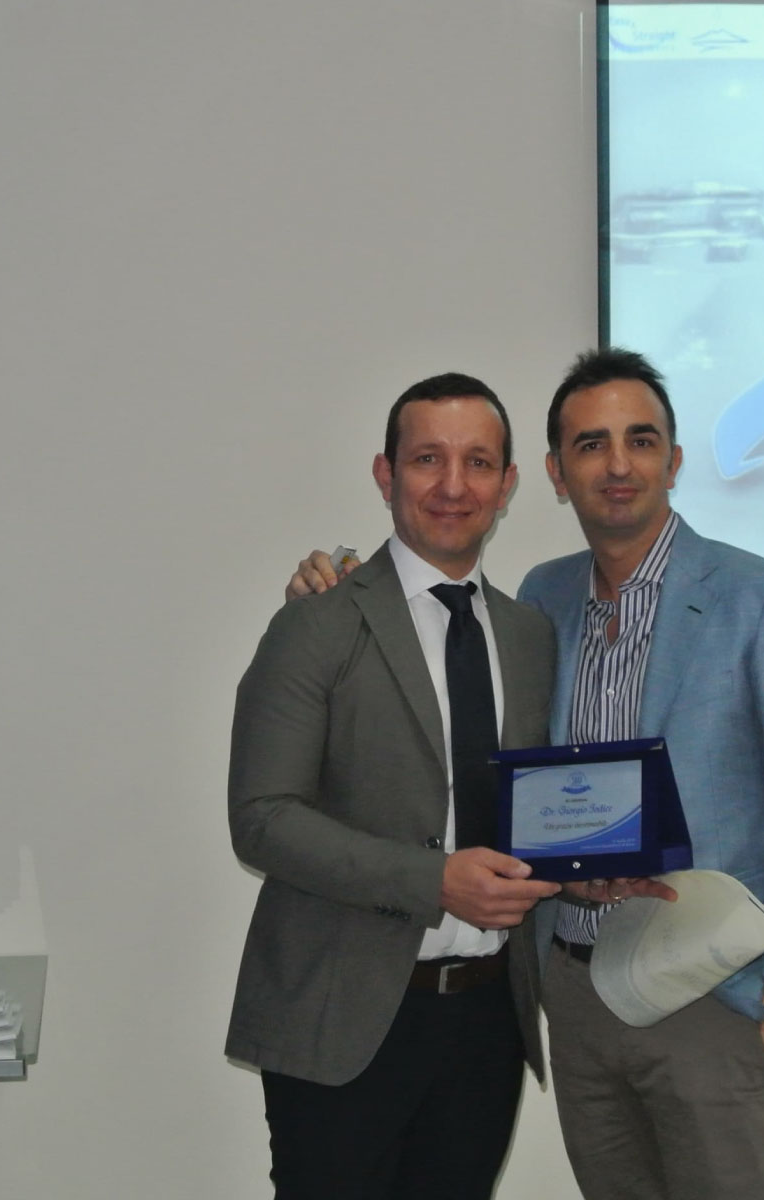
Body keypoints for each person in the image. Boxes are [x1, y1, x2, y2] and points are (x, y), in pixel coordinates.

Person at [287, 348, 764, 1200]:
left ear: (674, 460)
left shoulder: (757, 596)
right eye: (592, 445)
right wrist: (329, 586)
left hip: (711, 990)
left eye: (641, 440)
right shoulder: (540, 601)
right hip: (577, 992)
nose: (618, 465)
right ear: (555, 474)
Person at [227, 372, 563, 1200]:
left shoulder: (529, 636)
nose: (454, 485)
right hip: (341, 1020)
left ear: (507, 485)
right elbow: (262, 818)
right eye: (427, 459)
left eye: (478, 462)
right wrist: (433, 880)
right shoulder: (317, 622)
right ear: (386, 475)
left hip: (487, 1021)